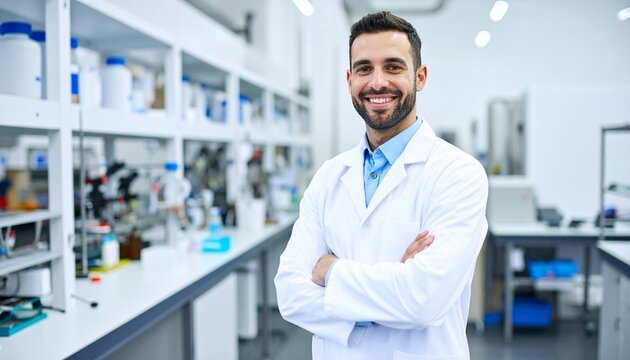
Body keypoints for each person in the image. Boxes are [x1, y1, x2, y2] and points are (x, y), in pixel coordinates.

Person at [274, 11, 488, 360]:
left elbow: (423, 300)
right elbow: (289, 293)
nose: (377, 82)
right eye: (364, 68)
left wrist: (330, 272)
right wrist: (391, 291)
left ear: (420, 77)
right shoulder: (329, 176)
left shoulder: (458, 174)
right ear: (349, 79)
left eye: (393, 67)